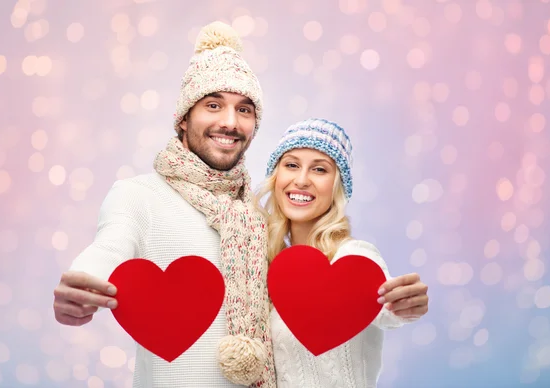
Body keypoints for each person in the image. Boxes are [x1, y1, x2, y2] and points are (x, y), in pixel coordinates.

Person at [52, 21, 276, 388]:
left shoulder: (258, 217)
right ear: (183, 120)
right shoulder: (138, 196)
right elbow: (110, 246)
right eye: (213, 105)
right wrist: (80, 284)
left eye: (245, 110)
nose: (229, 122)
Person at [255, 118, 429, 387]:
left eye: (319, 170)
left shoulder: (353, 257)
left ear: (337, 186)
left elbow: (385, 309)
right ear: (276, 177)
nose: (301, 180)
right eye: (291, 165)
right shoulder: (270, 268)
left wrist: (405, 306)